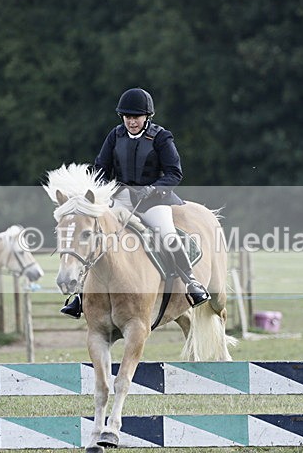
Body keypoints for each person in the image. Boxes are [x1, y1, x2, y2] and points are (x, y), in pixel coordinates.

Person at [60, 87, 210, 319]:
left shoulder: (161, 137)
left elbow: (174, 173)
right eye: (127, 117)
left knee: (167, 233)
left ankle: (191, 282)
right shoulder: (115, 136)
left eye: (136, 117)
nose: (131, 121)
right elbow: (101, 168)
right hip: (120, 198)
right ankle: (80, 295)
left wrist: (152, 189)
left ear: (147, 117)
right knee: (98, 236)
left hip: (153, 200)